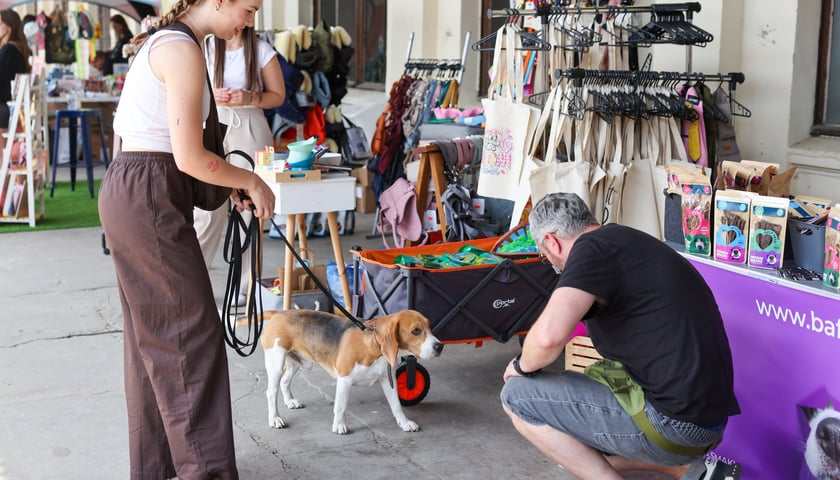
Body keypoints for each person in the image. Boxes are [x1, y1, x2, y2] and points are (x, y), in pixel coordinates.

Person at [98, 0, 274, 477]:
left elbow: (151, 142)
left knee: (153, 339)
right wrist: (249, 179)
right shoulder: (181, 49)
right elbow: (189, 156)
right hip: (148, 194)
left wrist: (227, 183)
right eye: (248, 8)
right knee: (189, 339)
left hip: (136, 188)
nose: (250, 21)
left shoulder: (172, 42)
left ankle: (156, 467)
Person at [501, 192, 740, 480]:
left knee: (517, 395)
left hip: (676, 424)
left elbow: (547, 339)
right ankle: (690, 471)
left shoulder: (590, 251)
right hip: (707, 421)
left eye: (544, 256)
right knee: (576, 445)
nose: (549, 262)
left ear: (552, 242)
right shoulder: (623, 239)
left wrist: (519, 367)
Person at [194, 25, 285, 305]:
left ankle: (244, 286)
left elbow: (278, 95)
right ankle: (191, 282)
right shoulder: (207, 46)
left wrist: (250, 97)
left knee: (248, 210)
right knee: (207, 209)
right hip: (214, 123)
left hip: (250, 125)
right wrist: (213, 96)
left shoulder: (261, 49)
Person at [0, 9, 32, 152]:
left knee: (2, 153)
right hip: (15, 107)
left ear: (9, 27)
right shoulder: (22, 48)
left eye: (0, 24)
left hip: (4, 108)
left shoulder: (8, 50)